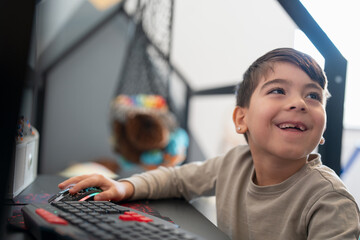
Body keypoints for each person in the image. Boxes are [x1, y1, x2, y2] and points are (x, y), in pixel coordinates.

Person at [59, 48, 360, 239]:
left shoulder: (330, 201)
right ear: (241, 119)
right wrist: (125, 187)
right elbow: (176, 178)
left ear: (321, 132)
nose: (299, 103)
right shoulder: (234, 164)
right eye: (279, 90)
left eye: (313, 96)